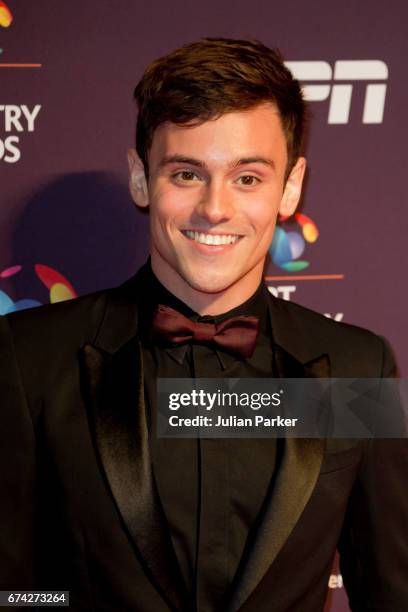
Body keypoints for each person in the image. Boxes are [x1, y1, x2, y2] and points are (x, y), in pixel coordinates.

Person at [0, 38, 406, 612]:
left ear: (289, 187)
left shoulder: (357, 367)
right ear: (141, 178)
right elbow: (14, 589)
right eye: (187, 173)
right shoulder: (32, 358)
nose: (215, 208)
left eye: (247, 178)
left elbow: (391, 589)